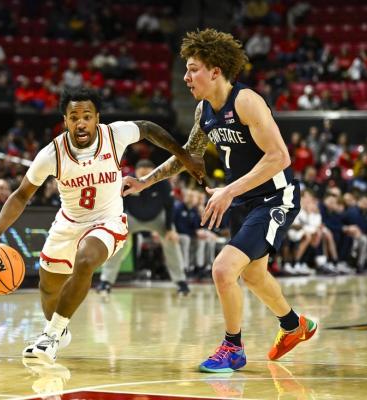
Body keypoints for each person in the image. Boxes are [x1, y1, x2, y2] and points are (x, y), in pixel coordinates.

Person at [123, 29, 317, 373]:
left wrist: (228, 191)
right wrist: (144, 182)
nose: (186, 77)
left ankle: (233, 348)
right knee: (254, 276)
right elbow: (188, 155)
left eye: (193, 69)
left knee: (223, 269)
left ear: (215, 71)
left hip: (274, 197)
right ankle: (293, 325)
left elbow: (279, 157)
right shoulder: (204, 111)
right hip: (243, 201)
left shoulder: (246, 101)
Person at [0, 87, 204, 364]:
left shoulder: (114, 135)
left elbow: (147, 128)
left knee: (86, 259)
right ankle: (58, 331)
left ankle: (50, 335)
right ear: (65, 121)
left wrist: (183, 156)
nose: (81, 123)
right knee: (48, 286)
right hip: (68, 223)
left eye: (87, 116)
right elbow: (21, 195)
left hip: (107, 220)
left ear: (97, 117)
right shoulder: (52, 154)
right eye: (74, 117)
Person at [97, 159, 190, 297]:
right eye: (141, 175)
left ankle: (181, 282)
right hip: (132, 217)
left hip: (157, 218)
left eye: (148, 176)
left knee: (172, 241)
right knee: (116, 242)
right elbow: (118, 205)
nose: (144, 179)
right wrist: (118, 226)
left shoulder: (163, 183)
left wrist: (170, 229)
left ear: (154, 173)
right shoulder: (127, 182)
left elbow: (169, 206)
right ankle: (106, 281)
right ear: (135, 173)